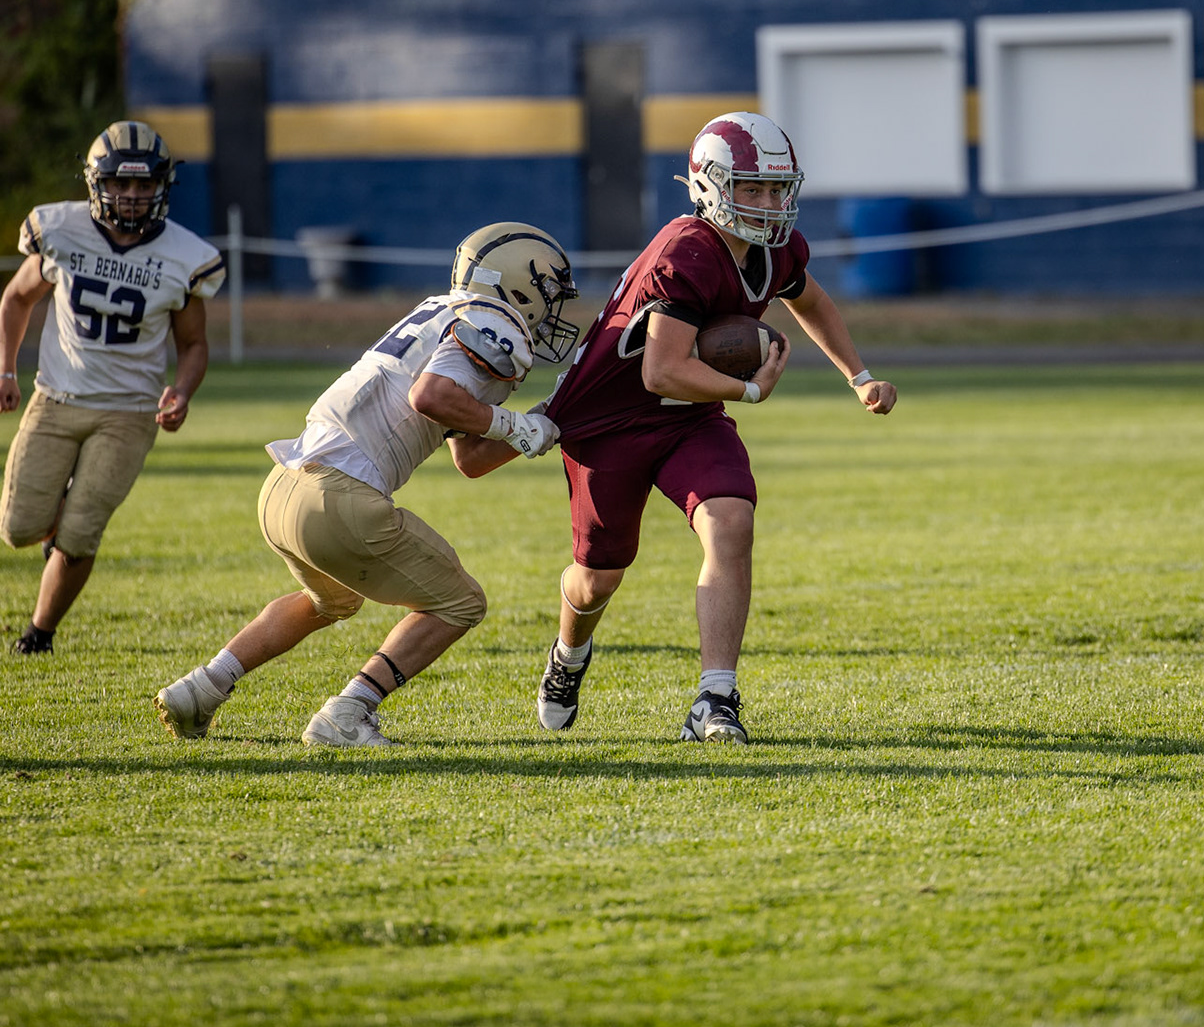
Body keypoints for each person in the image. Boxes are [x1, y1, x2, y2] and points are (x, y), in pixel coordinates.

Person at [534, 111, 896, 743]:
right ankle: (568, 655)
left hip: (690, 417)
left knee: (731, 520)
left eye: (776, 189)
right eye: (750, 188)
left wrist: (857, 374)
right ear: (709, 186)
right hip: (611, 422)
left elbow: (809, 299)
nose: (767, 203)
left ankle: (714, 700)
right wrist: (749, 387)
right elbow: (661, 372)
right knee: (597, 578)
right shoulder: (687, 251)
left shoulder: (776, 247)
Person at [154, 223, 576, 746]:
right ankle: (348, 713)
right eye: (549, 293)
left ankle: (200, 688)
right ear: (518, 285)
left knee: (331, 602)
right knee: (460, 603)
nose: (552, 310)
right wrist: (515, 424)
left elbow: (467, 457)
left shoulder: (440, 310)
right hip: (339, 496)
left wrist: (538, 419)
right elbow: (431, 396)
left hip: (283, 485)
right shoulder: (496, 321)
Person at [1, 120, 224, 655]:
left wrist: (183, 392)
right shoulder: (60, 230)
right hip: (55, 398)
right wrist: (6, 369)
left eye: (143, 185)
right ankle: (55, 536)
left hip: (128, 413)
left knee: (81, 535)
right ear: (95, 182)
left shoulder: (184, 255)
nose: (131, 196)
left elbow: (193, 345)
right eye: (120, 184)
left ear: (162, 186)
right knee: (18, 528)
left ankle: (39, 633)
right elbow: (15, 299)